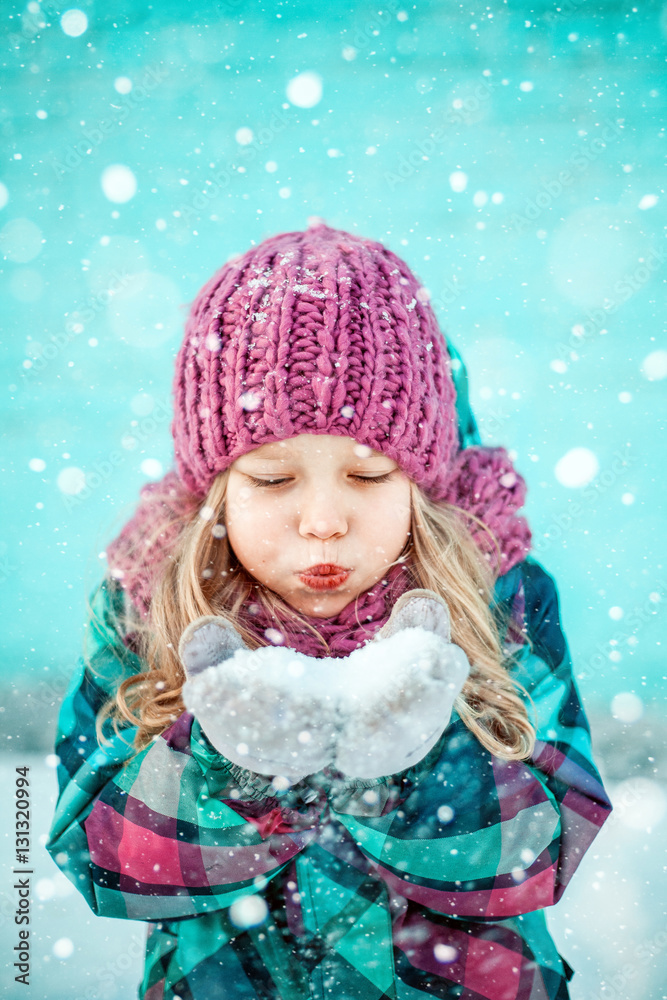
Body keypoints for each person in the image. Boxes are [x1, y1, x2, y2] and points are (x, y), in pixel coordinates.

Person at [46, 220, 612, 1000]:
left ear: (421, 481)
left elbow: (551, 844)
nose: (322, 522)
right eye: (274, 480)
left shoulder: (499, 592)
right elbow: (97, 855)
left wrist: (415, 768)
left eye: (369, 475)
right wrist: (235, 773)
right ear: (215, 489)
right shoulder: (148, 603)